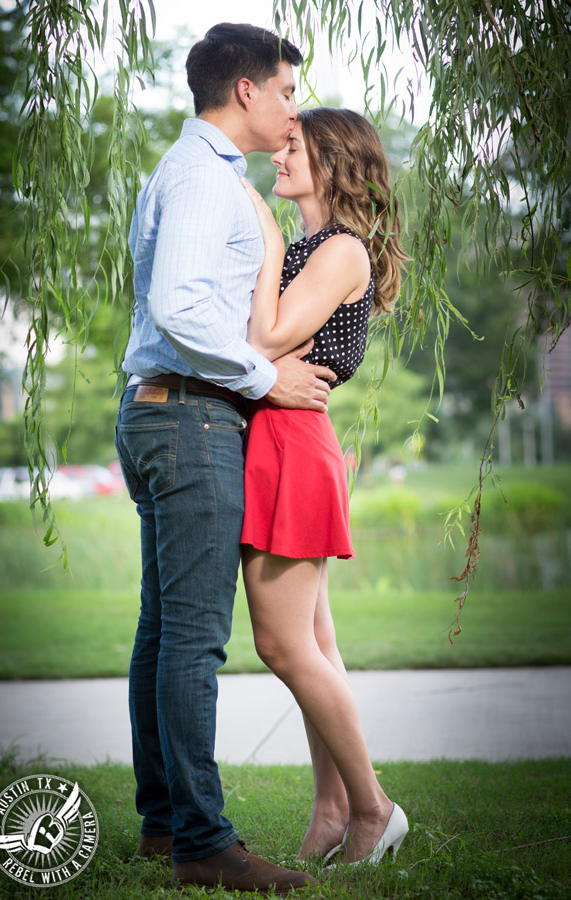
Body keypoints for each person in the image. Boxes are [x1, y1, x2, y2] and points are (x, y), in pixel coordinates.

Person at [115, 23, 336, 893]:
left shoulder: (194, 171)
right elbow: (177, 306)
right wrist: (264, 376)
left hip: (163, 413)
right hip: (193, 420)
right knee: (192, 642)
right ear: (245, 90)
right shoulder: (205, 178)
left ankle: (166, 827)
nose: (293, 111)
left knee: (163, 633)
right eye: (285, 92)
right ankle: (203, 841)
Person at [240, 107, 410, 867]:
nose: (278, 155)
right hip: (279, 438)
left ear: (332, 163)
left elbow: (266, 338)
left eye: (293, 147)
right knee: (312, 642)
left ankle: (373, 808)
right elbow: (266, 341)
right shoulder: (315, 246)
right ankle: (334, 808)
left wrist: (269, 246)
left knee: (282, 643)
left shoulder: (337, 249)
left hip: (292, 443)